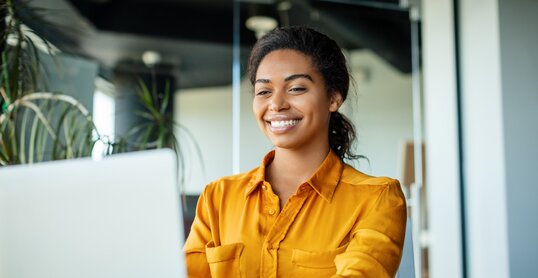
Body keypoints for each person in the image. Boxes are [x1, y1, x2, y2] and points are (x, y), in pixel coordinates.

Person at [184, 26, 407, 277]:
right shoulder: (218, 197)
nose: (276, 104)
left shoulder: (377, 199)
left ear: (333, 98)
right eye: (264, 91)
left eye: (296, 88)